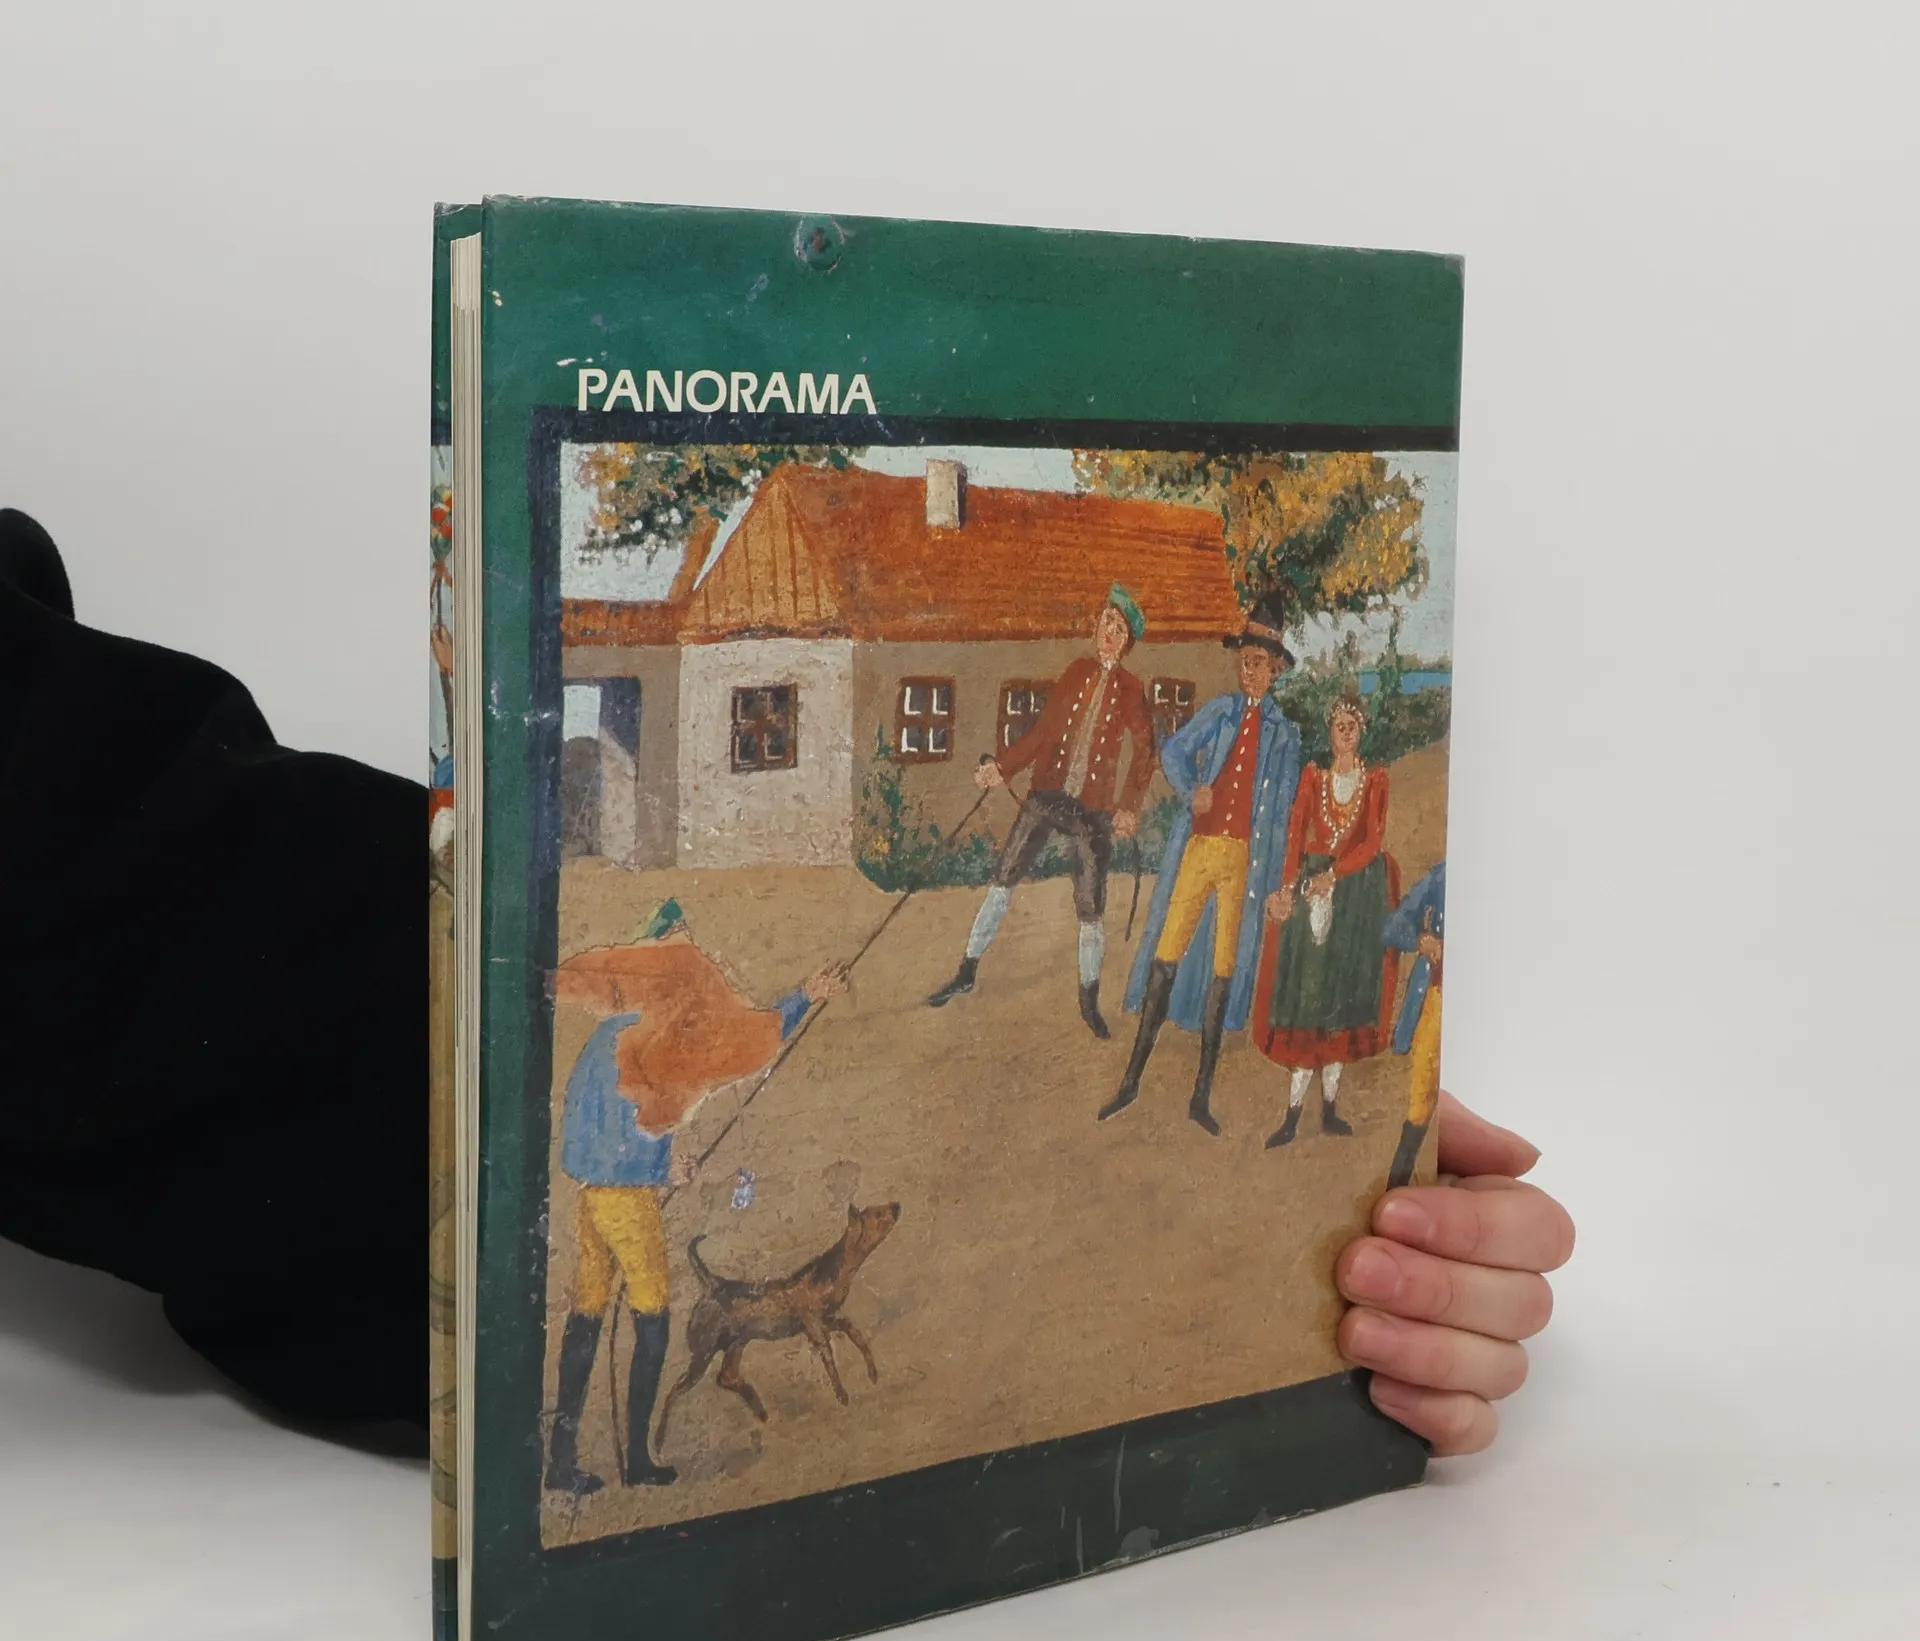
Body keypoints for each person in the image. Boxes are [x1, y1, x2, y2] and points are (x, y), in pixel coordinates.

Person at [0, 509, 1568, 1458]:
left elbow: (125, 883)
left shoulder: (1225, 723)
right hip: (1057, 818)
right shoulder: (1116, 694)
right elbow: (131, 907)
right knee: (1032, 902)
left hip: (1157, 839)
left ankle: (1104, 1009)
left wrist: (1286, 1255)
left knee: (1104, 903)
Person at [547, 903, 848, 1492]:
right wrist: (805, 997)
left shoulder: (611, 1034)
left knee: (587, 1312)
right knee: (652, 1319)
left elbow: (600, 1134)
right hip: (625, 1202)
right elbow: (736, 1045)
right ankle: (636, 1460)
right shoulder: (649, 1036)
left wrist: (663, 1166)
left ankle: (561, 1461)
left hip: (594, 1198)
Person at [928, 584, 1155, 1038]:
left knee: (1090, 906)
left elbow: (1146, 751)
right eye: (1106, 621)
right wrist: (1002, 768)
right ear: (1096, 624)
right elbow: (1042, 733)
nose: (1109, 632)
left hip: (1093, 810)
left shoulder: (1132, 689)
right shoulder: (1076, 672)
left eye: (1119, 628)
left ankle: (1089, 1000)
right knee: (1003, 878)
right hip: (1047, 793)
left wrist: (1129, 807)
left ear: (1127, 642)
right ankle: (967, 970)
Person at [1102, 620, 1299, 1134]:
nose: (1250, 672)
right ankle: (1131, 1081)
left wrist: (1280, 882)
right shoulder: (1221, 711)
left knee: (1224, 968)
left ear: (1276, 671)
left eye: (1260, 664)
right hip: (1199, 849)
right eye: (1245, 662)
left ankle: (1200, 1096)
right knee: (1166, 955)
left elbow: (1283, 814)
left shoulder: (1285, 735)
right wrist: (1192, 790)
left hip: (1244, 862)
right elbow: (1172, 751)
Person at [1254, 690, 1400, 1146]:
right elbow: (1295, 835)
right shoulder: (1313, 778)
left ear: (1362, 732)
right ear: (1329, 731)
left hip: (1353, 893)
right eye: (1340, 725)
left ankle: (1330, 1110)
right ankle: (1292, 1115)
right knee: (1308, 998)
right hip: (1311, 887)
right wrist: (1288, 886)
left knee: (1340, 998)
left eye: (1353, 726)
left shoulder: (1375, 780)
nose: (1346, 732)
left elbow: (1372, 842)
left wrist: (1334, 875)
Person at [1381, 861, 1445, 1188]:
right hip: (1437, 999)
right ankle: (1396, 1187)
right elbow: (1393, 926)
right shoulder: (1442, 876)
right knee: (1421, 1100)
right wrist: (1420, 940)